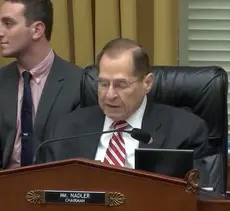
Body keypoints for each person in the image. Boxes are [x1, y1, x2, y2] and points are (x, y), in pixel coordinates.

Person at [38, 38, 208, 176]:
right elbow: (42, 188)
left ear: (147, 83)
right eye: (103, 84)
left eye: (121, 85)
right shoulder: (66, 129)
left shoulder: (184, 131)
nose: (110, 94)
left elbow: (196, 197)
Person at [0, 0, 83, 169]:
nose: (0, 32)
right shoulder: (1, 79)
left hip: (54, 187)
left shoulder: (79, 83)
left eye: (8, 24)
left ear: (37, 30)